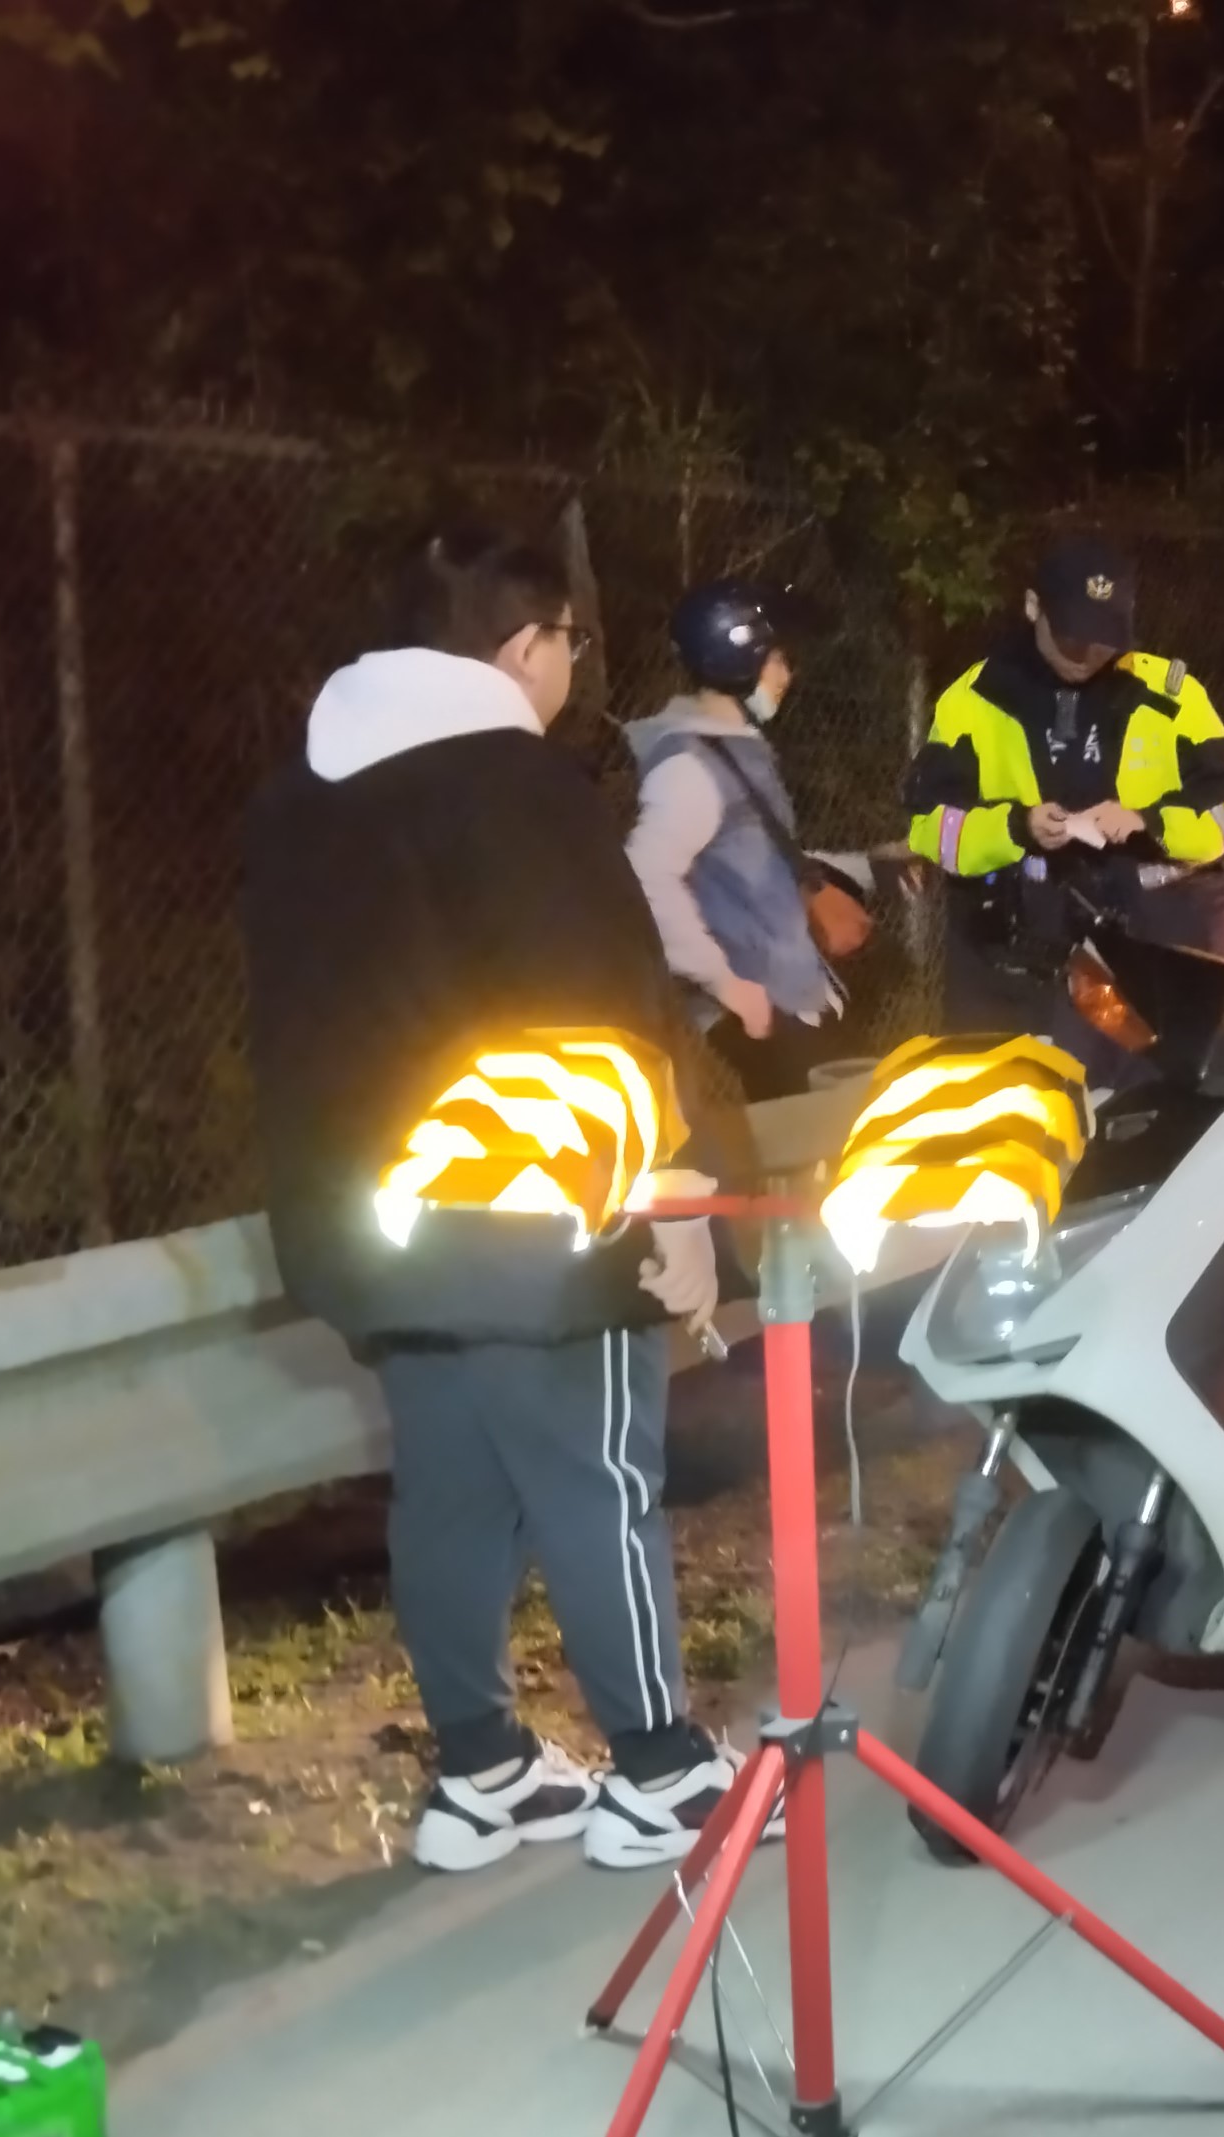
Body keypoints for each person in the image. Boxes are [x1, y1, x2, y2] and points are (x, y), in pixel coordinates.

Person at [239, 528, 759, 1873]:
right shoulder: (520, 788)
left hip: (378, 1217)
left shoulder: (297, 798)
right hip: (543, 1208)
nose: (570, 666)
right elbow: (604, 1008)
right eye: (568, 642)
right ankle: (662, 1772)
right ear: (526, 644)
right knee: (598, 1477)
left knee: (451, 1492)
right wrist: (677, 1187)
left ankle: (482, 1773)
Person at [904, 535, 1224, 1045]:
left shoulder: (1170, 694)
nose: (1090, 654)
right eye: (1073, 637)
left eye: (1106, 638)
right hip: (1020, 956)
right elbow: (929, 825)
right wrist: (1017, 827)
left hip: (1161, 948)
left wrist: (1150, 824)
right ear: (1034, 607)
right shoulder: (975, 700)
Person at [624, 579, 847, 1098]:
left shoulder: (733, 750)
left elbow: (754, 860)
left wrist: (867, 864)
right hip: (759, 1018)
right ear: (738, 659)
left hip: (791, 1003)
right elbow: (646, 876)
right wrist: (724, 983)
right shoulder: (690, 765)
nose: (787, 675)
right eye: (778, 659)